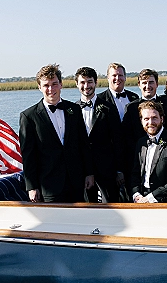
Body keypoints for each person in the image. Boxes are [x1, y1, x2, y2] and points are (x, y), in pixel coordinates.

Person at [19, 64, 94, 203]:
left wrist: (89, 173)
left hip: (76, 182)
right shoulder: (29, 116)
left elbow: (83, 144)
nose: (51, 89)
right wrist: (32, 187)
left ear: (61, 84)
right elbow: (28, 155)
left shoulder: (74, 110)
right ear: (39, 87)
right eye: (46, 85)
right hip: (49, 185)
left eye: (54, 84)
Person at [74, 67, 124, 202]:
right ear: (77, 84)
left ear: (95, 82)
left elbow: (117, 140)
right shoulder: (71, 110)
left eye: (89, 82)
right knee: (87, 208)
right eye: (82, 82)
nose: (86, 86)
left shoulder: (108, 108)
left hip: (107, 168)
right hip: (83, 170)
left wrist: (119, 170)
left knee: (111, 205)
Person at [130, 101, 167, 203]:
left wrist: (150, 198)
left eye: (154, 118)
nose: (151, 122)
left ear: (162, 119)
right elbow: (135, 173)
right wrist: (136, 194)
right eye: (146, 119)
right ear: (141, 121)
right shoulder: (141, 143)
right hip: (141, 198)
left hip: (166, 201)